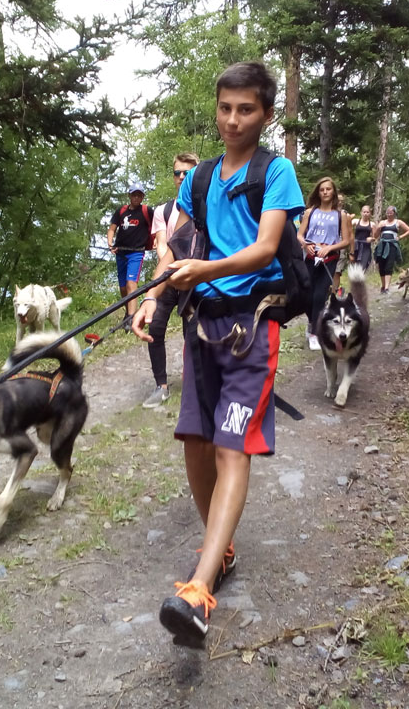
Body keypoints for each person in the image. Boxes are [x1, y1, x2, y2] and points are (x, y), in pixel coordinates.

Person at [131, 61, 304, 648]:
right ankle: (220, 549)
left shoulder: (276, 172)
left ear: (266, 114)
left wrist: (203, 270)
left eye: (246, 109)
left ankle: (199, 589)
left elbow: (266, 248)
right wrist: (151, 298)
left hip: (252, 327)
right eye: (225, 108)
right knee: (196, 442)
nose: (233, 120)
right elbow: (175, 244)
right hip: (201, 326)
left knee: (232, 446)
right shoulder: (200, 178)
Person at [142, 152, 200, 408]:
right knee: (155, 328)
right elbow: (162, 244)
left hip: (194, 276)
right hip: (167, 276)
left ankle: (194, 383)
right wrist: (170, 270)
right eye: (178, 172)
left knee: (192, 332)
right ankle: (161, 386)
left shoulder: (205, 208)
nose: (182, 177)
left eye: (188, 172)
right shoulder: (163, 210)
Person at [296, 177, 352, 351]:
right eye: (322, 190)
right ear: (318, 193)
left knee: (320, 295)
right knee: (306, 295)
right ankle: (312, 321)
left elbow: (346, 240)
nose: (325, 192)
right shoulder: (310, 212)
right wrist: (306, 244)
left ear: (333, 191)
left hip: (329, 258)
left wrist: (329, 248)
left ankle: (315, 333)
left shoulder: (340, 215)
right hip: (310, 257)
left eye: (328, 189)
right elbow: (299, 235)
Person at [107, 184, 153, 319]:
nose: (136, 198)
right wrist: (110, 243)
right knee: (123, 287)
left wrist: (157, 239)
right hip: (121, 252)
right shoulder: (121, 211)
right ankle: (128, 313)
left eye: (139, 195)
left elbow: (158, 224)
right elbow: (112, 229)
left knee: (131, 284)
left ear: (143, 197)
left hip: (136, 253)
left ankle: (131, 318)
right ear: (129, 196)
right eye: (134, 195)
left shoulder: (146, 211)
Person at [373, 205, 409, 293]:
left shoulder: (398, 222)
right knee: (381, 266)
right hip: (382, 245)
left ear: (394, 213)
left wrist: (400, 237)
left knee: (389, 265)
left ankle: (387, 287)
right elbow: (375, 236)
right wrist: (378, 228)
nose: (389, 214)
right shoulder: (382, 222)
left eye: (391, 213)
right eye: (387, 213)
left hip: (392, 246)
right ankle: (383, 286)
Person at [332, 194, 353, 297]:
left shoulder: (345, 215)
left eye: (342, 200)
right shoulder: (327, 212)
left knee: (337, 271)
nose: (340, 202)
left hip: (341, 246)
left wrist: (352, 251)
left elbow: (350, 234)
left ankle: (333, 295)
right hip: (327, 245)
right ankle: (333, 290)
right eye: (338, 200)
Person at [351, 204, 374, 271]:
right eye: (364, 212)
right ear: (361, 212)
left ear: (370, 214)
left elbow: (375, 237)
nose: (365, 214)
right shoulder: (355, 221)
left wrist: (371, 239)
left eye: (367, 212)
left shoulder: (372, 224)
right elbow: (347, 228)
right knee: (355, 265)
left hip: (366, 246)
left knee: (363, 266)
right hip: (356, 245)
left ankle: (361, 276)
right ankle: (355, 277)